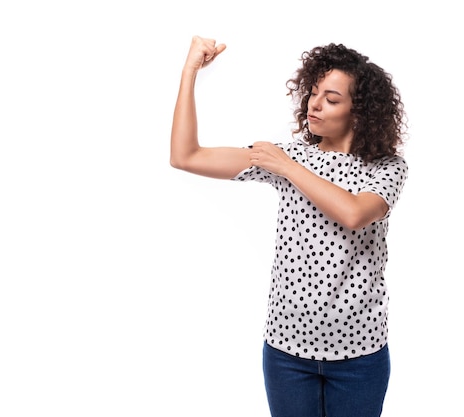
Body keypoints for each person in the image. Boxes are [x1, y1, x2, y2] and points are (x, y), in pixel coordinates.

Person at [170, 35, 409, 417]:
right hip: (286, 352)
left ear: (359, 111)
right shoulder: (290, 158)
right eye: (313, 93)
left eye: (331, 99)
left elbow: (354, 213)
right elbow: (186, 156)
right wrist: (189, 72)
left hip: (359, 355)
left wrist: (287, 167)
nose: (315, 104)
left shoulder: (385, 167)